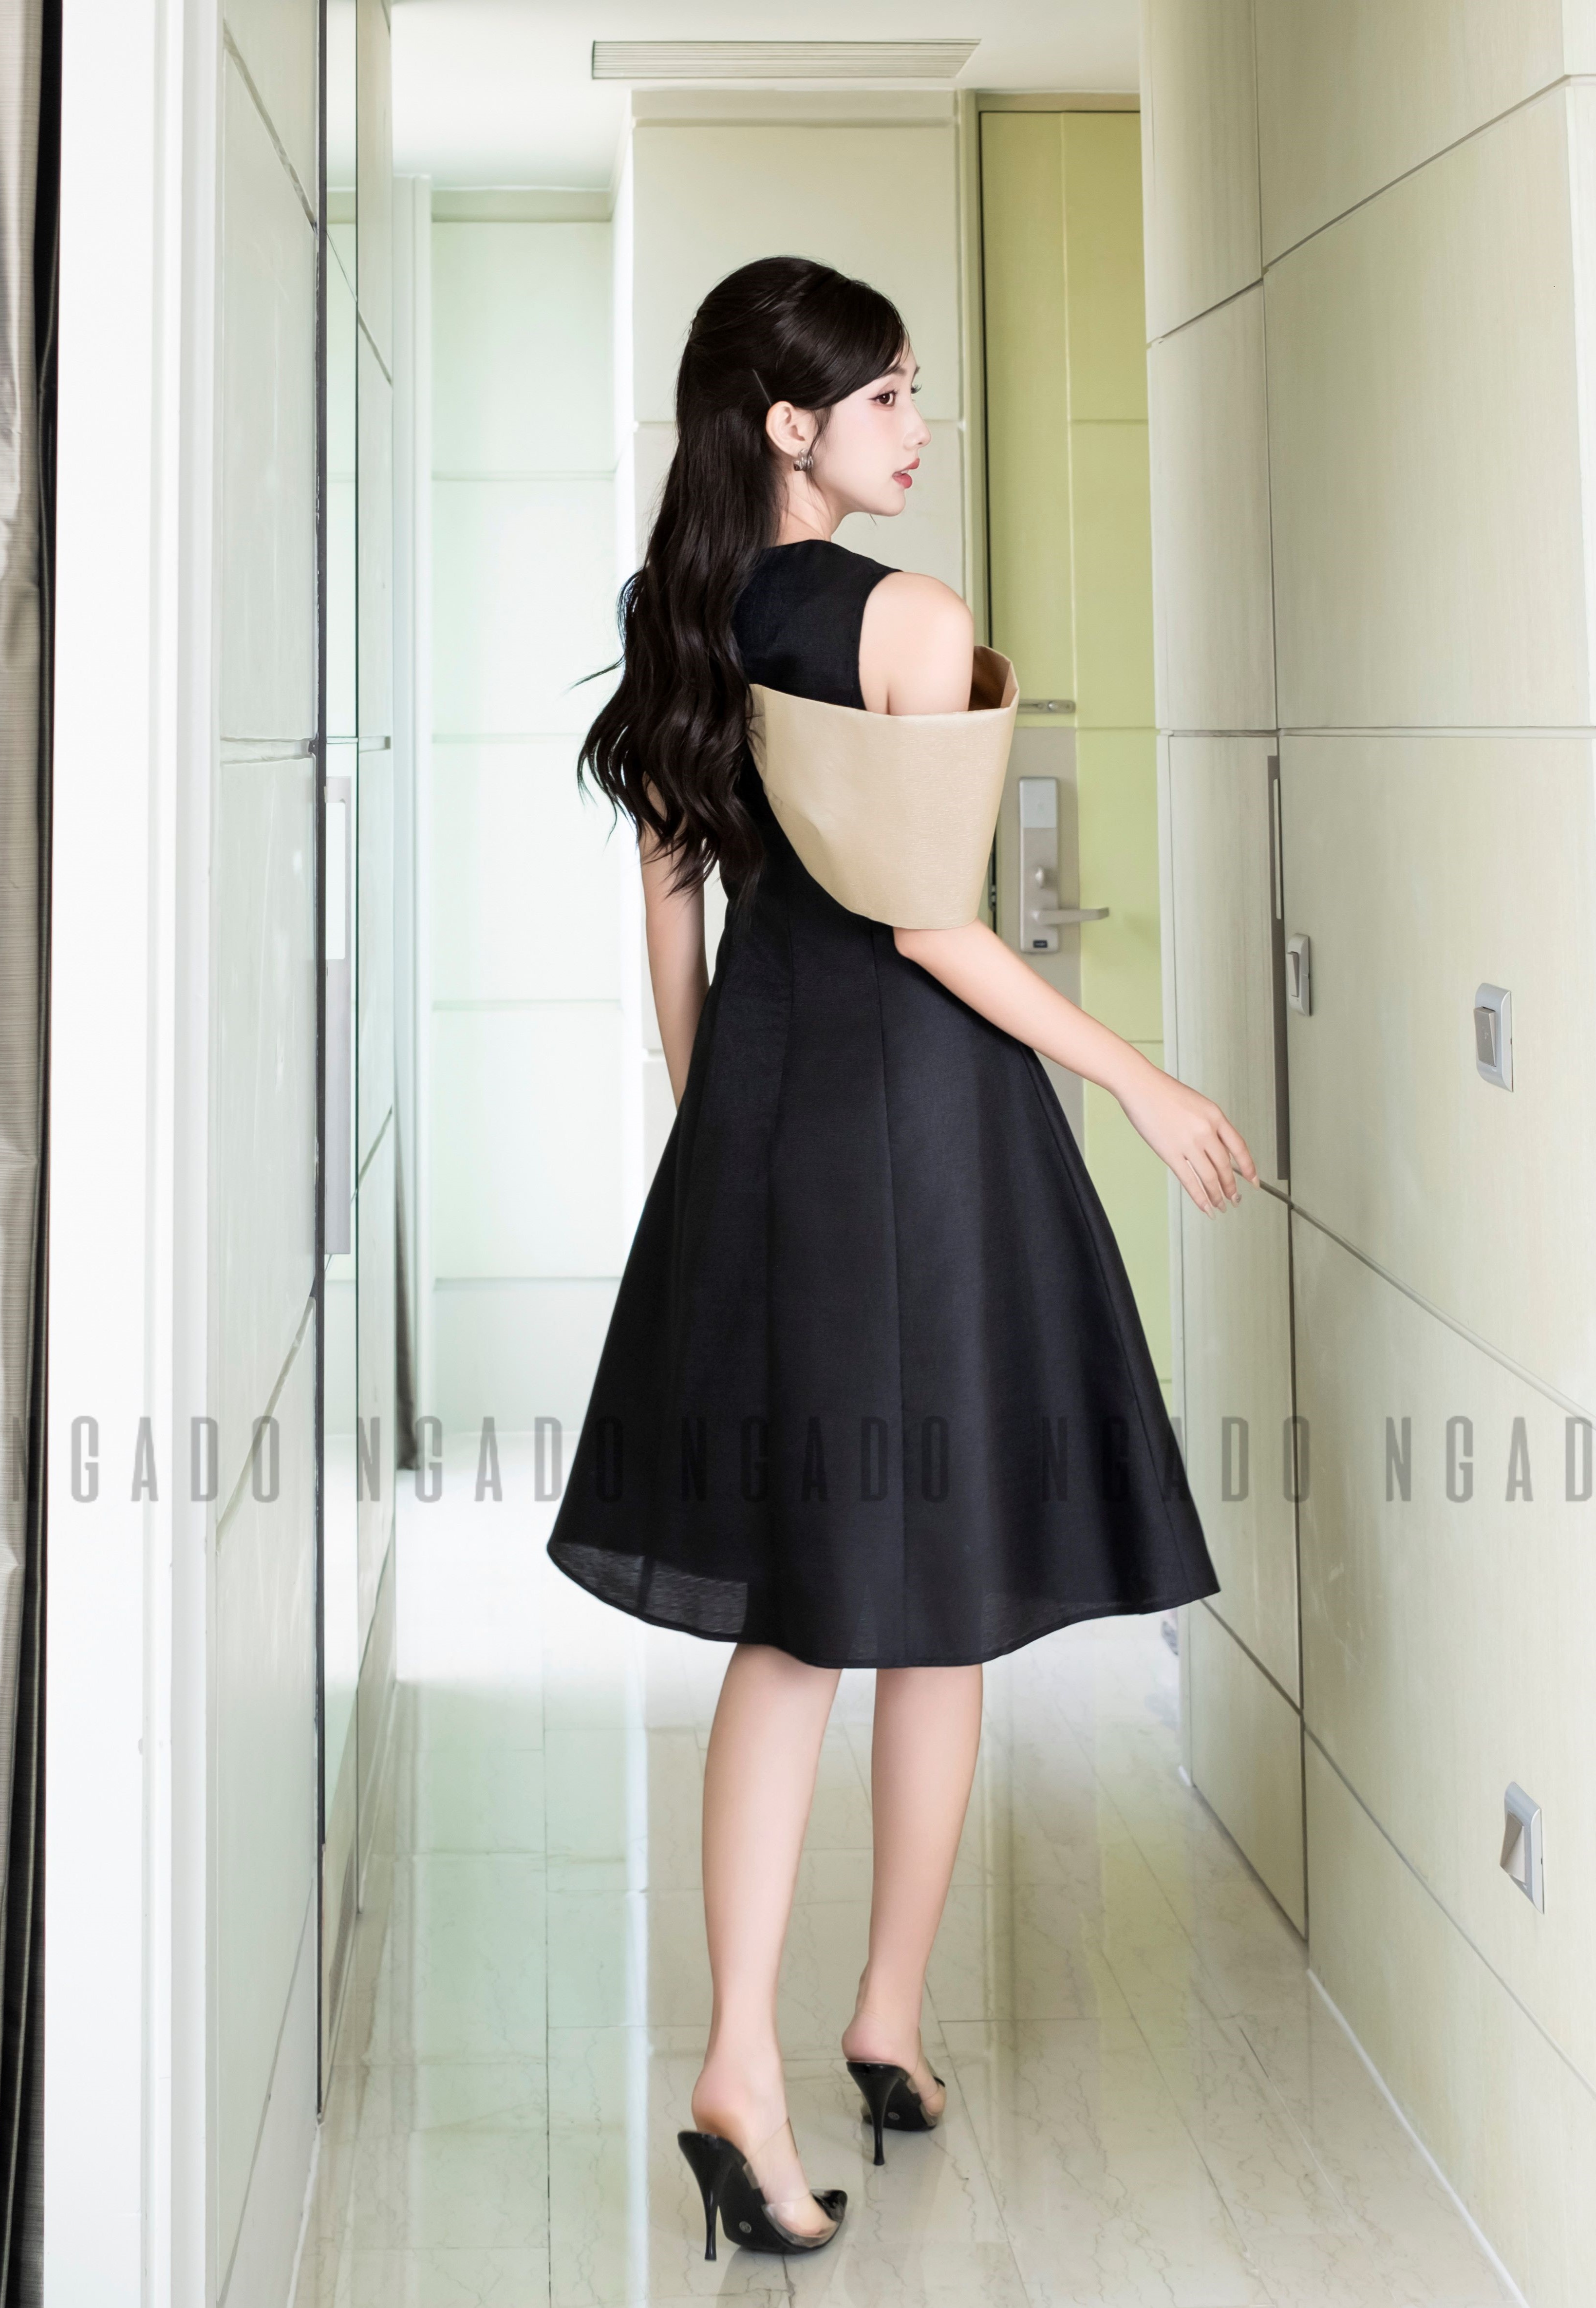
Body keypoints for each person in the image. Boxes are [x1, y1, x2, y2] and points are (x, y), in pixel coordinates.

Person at [546, 255, 1258, 2258]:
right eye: (884, 398)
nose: (915, 428)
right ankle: (823, 2039)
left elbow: (671, 915)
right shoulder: (910, 621)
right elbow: (935, 926)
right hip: (926, 1132)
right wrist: (1136, 1077)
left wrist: (720, 1137)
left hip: (765, 1117)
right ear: (790, 423)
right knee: (927, 1593)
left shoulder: (672, 611)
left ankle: (807, 2043)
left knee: (797, 1612)